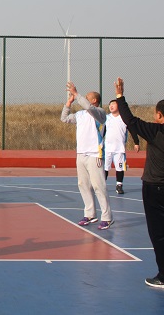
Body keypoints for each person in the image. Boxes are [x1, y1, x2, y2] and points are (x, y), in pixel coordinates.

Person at [114, 77, 164, 290]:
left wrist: (120, 96)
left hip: (155, 188)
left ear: (159, 115)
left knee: (159, 233)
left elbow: (130, 120)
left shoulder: (155, 131)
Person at [60, 82, 113, 230]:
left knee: (98, 186)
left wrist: (77, 94)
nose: (84, 98)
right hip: (81, 154)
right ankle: (90, 214)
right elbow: (64, 118)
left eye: (87, 97)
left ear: (94, 100)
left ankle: (107, 217)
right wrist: (69, 103)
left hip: (95, 154)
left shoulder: (100, 113)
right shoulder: (80, 115)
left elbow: (89, 107)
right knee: (83, 184)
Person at [104, 99, 140, 194]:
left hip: (119, 149)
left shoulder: (124, 119)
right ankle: (102, 185)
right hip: (107, 148)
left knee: (119, 168)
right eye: (110, 104)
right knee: (105, 168)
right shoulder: (106, 118)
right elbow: (102, 132)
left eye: (113, 104)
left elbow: (132, 130)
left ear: (119, 106)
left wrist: (136, 142)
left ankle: (119, 185)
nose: (111, 106)